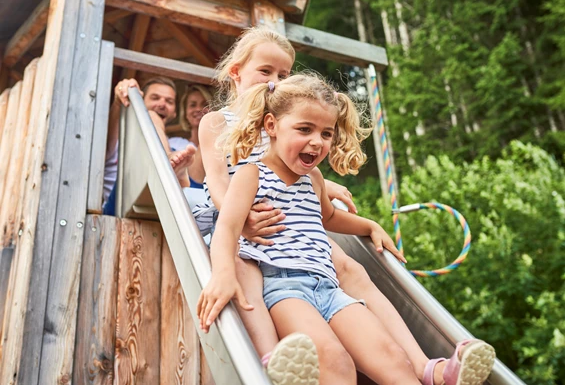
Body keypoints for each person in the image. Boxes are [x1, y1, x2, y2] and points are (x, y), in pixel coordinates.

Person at [181, 26, 496, 385]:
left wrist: (366, 221)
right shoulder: (221, 126)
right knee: (242, 265)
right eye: (266, 72)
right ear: (236, 72)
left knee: (351, 270)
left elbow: (317, 199)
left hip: (305, 247)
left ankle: (425, 367)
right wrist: (243, 220)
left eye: (284, 74)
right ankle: (268, 356)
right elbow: (223, 186)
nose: (275, 81)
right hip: (256, 233)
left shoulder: (302, 154)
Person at [103, 76, 196, 215]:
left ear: (174, 112)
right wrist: (120, 98)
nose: (162, 104)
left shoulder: (179, 144)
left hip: (165, 209)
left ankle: (171, 171)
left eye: (169, 101)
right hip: (118, 210)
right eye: (155, 98)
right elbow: (106, 148)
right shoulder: (120, 136)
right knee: (151, 116)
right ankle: (166, 162)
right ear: (140, 102)